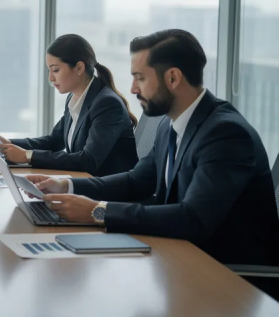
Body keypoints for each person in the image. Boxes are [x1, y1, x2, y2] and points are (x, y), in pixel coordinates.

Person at [25, 29, 279, 269]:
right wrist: (65, 186)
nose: (133, 89)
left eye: (140, 78)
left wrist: (97, 211)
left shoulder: (225, 134)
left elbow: (194, 219)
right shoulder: (170, 126)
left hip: (227, 276)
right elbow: (136, 181)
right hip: (178, 257)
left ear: (172, 78)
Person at [0, 34, 138, 177]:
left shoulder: (107, 104)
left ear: (78, 68)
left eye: (56, 70)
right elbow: (54, 141)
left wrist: (28, 156)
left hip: (107, 192)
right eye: (49, 71)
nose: (51, 78)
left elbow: (88, 161)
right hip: (85, 184)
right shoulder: (75, 97)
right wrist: (8, 144)